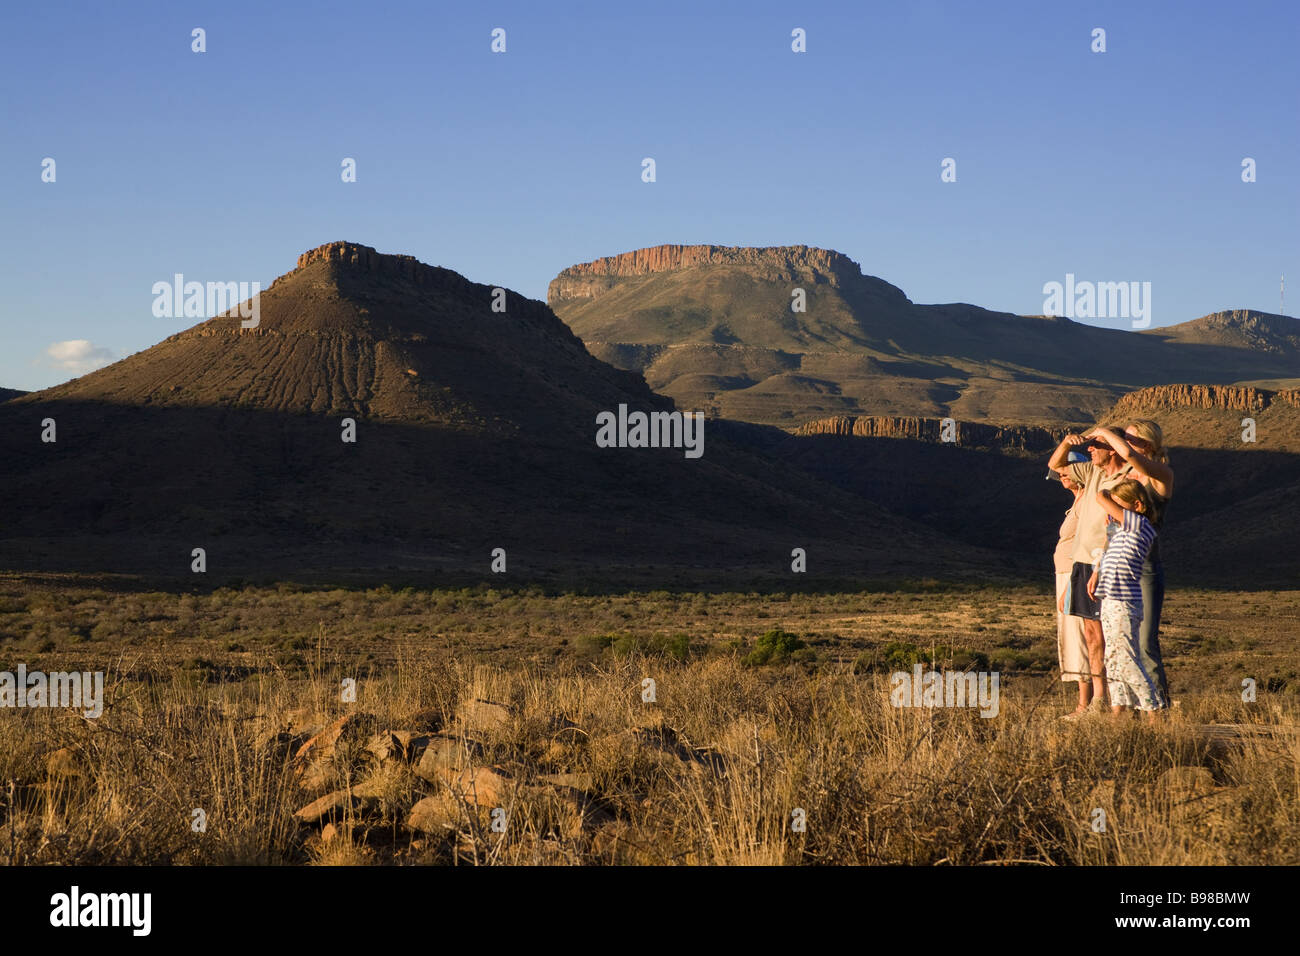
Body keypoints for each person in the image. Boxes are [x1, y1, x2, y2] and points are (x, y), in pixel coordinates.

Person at [1086, 420, 1172, 707]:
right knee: (1120, 645)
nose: (1123, 442)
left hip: (1145, 567)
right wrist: (1099, 567)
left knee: (1145, 644)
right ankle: (1130, 707)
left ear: (1146, 445)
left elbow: (1132, 457)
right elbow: (1114, 527)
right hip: (1118, 567)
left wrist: (1103, 433)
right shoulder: (1129, 477)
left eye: (1129, 438)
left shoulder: (1160, 476)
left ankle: (1158, 708)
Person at [1047, 430, 1134, 711]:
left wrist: (1102, 433)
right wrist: (1067, 443)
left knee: (1114, 635)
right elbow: (1055, 465)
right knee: (1092, 636)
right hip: (1083, 565)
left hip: (1106, 563)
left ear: (1112, 449)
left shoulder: (1126, 476)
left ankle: (1123, 701)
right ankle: (1099, 700)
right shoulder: (1092, 472)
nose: (1091, 449)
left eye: (1096, 445)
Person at [1086, 480, 1162, 718]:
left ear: (1137, 505)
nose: (1113, 511)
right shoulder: (1123, 530)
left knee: (1128, 659)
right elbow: (1108, 548)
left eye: (1119, 506)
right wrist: (1096, 573)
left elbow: (1100, 497)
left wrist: (1107, 493)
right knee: (1113, 659)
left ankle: (1154, 709)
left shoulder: (1140, 524)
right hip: (1111, 599)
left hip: (1124, 602)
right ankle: (1118, 710)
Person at [1049, 462, 1090, 715]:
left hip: (1074, 575)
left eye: (1068, 471)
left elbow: (1086, 543)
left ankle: (1085, 704)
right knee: (1075, 636)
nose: (1062, 475)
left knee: (1080, 637)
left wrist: (1074, 582)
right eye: (1061, 472)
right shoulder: (1078, 502)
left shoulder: (1086, 502)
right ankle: (1085, 702)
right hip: (1065, 574)